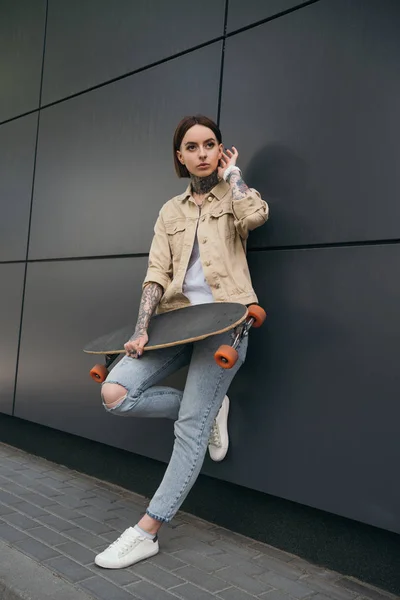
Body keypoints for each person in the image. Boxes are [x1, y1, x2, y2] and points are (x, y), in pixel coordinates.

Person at [95, 115, 269, 569]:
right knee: (115, 393)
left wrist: (236, 177)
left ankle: (147, 530)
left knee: (188, 431)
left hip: (226, 323)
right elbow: (155, 274)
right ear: (181, 156)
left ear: (219, 150)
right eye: (192, 147)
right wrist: (140, 329)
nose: (202, 153)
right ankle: (212, 409)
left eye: (210, 144)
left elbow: (256, 216)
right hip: (175, 324)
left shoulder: (233, 195)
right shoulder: (169, 211)